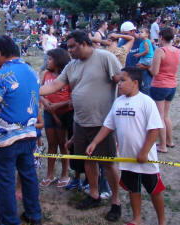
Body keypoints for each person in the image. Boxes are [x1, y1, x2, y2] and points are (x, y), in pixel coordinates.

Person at [40, 30, 122, 222]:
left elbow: (120, 81)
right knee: (88, 159)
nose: (69, 50)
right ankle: (93, 194)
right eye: (67, 47)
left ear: (84, 43)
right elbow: (54, 86)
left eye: (72, 46)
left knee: (108, 163)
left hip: (102, 122)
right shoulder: (71, 65)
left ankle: (116, 202)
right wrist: (32, 90)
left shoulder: (105, 57)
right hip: (80, 121)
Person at [86, 67, 166, 225]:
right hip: (127, 158)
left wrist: (144, 152)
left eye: (123, 80)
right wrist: (94, 142)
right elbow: (108, 125)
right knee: (133, 189)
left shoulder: (146, 102)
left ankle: (161, 221)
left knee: (154, 190)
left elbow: (154, 130)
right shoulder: (118, 102)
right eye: (119, 80)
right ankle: (137, 218)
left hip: (145, 159)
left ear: (135, 83)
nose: (119, 83)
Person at [0, 35, 42, 225]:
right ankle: (34, 215)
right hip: (29, 134)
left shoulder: (1, 75)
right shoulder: (31, 71)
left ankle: (10, 220)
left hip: (6, 139)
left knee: (5, 181)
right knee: (28, 176)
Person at [39, 48, 72, 188]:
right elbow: (40, 91)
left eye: (50, 59)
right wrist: (45, 102)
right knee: (51, 144)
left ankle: (65, 174)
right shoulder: (46, 74)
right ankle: (49, 174)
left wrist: (57, 105)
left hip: (63, 114)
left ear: (58, 61)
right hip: (48, 113)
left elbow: (72, 99)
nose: (47, 61)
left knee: (63, 144)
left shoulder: (68, 77)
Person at [148, 27, 180, 153]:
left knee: (159, 116)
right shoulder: (178, 51)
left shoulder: (160, 51)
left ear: (161, 37)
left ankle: (162, 145)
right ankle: (170, 141)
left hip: (160, 85)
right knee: (166, 115)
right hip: (172, 85)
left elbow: (154, 71)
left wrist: (147, 67)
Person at [119, 21, 152, 95]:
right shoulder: (122, 42)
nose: (124, 36)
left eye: (126, 34)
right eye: (123, 34)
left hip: (143, 71)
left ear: (133, 31)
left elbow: (152, 57)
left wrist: (146, 66)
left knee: (146, 91)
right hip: (130, 74)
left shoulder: (143, 40)